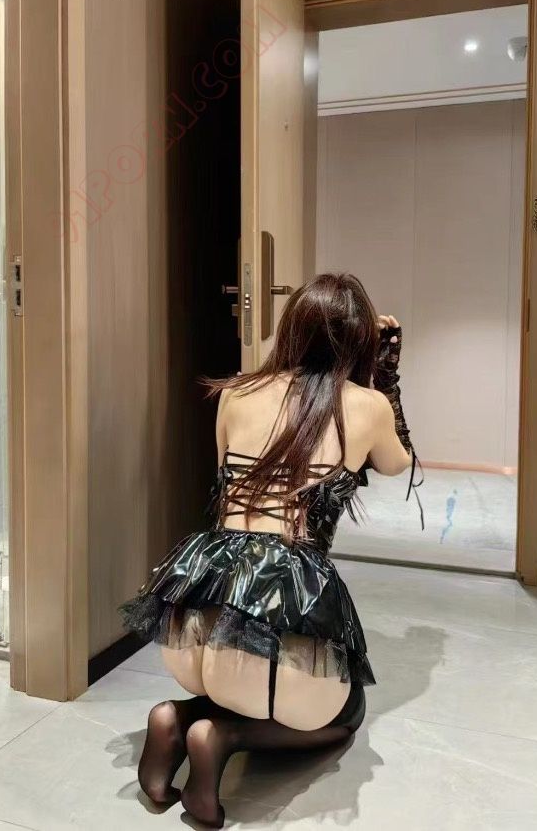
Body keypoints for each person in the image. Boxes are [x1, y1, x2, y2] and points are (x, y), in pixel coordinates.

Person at [120, 272, 420, 827]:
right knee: (347, 709)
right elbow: (398, 462)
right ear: (360, 340)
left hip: (199, 611)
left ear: (290, 328)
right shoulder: (368, 405)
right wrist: (386, 378)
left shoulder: (236, 392)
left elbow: (224, 483)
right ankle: (221, 736)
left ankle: (176, 715)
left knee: (238, 679)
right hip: (286, 593)